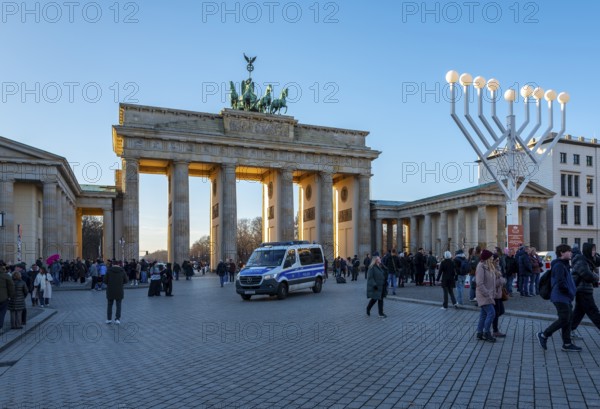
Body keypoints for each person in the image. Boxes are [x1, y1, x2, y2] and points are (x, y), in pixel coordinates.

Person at [537, 244, 582, 352]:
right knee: (564, 318)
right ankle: (544, 335)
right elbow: (560, 281)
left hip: (565, 297)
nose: (571, 253)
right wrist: (568, 291)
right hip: (560, 296)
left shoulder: (564, 264)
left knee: (568, 319)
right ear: (562, 253)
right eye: (568, 251)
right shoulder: (559, 265)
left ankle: (567, 344)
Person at [570, 242, 600, 338]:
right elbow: (587, 275)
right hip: (582, 289)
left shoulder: (588, 259)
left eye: (595, 249)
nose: (594, 251)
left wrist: (597, 255)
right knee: (593, 311)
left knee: (579, 312)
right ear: (587, 250)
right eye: (592, 250)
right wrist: (596, 277)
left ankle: (569, 330)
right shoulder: (580, 259)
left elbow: (598, 262)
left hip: (585, 289)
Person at [475, 250, 496, 342]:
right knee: (491, 313)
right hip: (484, 295)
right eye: (491, 257)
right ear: (487, 258)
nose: (492, 258)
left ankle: (479, 333)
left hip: (488, 294)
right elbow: (479, 283)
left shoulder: (488, 266)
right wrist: (487, 293)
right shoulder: (481, 267)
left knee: (483, 314)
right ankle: (486, 333)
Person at [104, 260, 128, 325]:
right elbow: (126, 281)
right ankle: (117, 319)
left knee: (109, 305)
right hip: (119, 290)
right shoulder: (122, 271)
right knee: (118, 305)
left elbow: (105, 280)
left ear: (112, 264)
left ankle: (109, 319)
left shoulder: (109, 271)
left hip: (110, 290)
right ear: (119, 264)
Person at [492, 255, 507, 338]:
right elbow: (494, 282)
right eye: (497, 260)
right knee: (496, 312)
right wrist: (502, 280)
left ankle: (492, 324)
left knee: (501, 311)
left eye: (498, 260)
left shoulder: (498, 268)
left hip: (499, 293)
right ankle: (495, 330)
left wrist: (502, 280)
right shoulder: (492, 269)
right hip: (495, 294)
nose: (498, 261)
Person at [0, 266, 16, 334]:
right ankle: (0, 327)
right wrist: (10, 296)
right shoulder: (6, 276)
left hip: (3, 297)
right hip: (3, 298)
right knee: (1, 313)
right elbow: (11, 286)